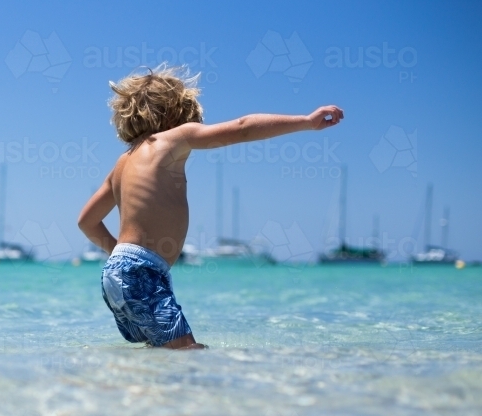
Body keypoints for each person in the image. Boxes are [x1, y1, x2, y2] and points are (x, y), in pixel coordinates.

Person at [78, 65, 343, 349]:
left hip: (116, 273)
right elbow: (242, 128)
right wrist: (305, 121)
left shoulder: (122, 163)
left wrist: (121, 256)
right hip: (142, 271)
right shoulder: (176, 137)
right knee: (187, 352)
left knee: (160, 354)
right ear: (176, 112)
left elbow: (86, 221)